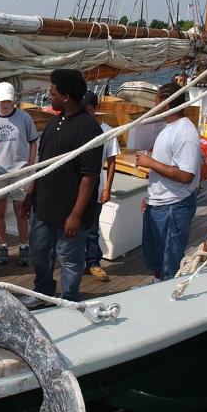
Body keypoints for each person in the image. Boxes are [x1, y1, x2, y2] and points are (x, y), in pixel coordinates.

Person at [22, 69, 102, 302]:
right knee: (38, 252)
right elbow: (42, 163)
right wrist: (30, 195)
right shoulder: (54, 122)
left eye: (53, 92)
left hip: (70, 212)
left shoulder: (89, 129)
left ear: (66, 97)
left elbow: (89, 177)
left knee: (69, 258)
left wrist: (76, 215)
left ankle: (69, 298)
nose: (49, 95)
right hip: (44, 207)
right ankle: (43, 291)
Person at [136, 81, 201, 281]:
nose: (154, 105)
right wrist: (150, 196)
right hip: (159, 204)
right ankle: (157, 286)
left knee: (170, 264)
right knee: (156, 260)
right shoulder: (169, 128)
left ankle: (168, 297)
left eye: (156, 101)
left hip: (173, 207)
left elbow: (186, 175)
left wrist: (150, 162)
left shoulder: (185, 132)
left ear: (165, 102)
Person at [0, 81, 38, 266]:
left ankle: (24, 246)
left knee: (21, 212)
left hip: (20, 172)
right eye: (2, 101)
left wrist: (30, 166)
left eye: (9, 101)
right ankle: (2, 245)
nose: (5, 104)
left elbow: (32, 142)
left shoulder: (24, 118)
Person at [80, 90, 119, 282]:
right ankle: (78, 262)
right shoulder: (75, 128)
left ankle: (93, 263)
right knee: (77, 228)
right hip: (76, 189)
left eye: (87, 110)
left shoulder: (108, 131)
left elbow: (112, 162)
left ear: (96, 109)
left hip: (97, 188)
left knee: (93, 229)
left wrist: (107, 189)